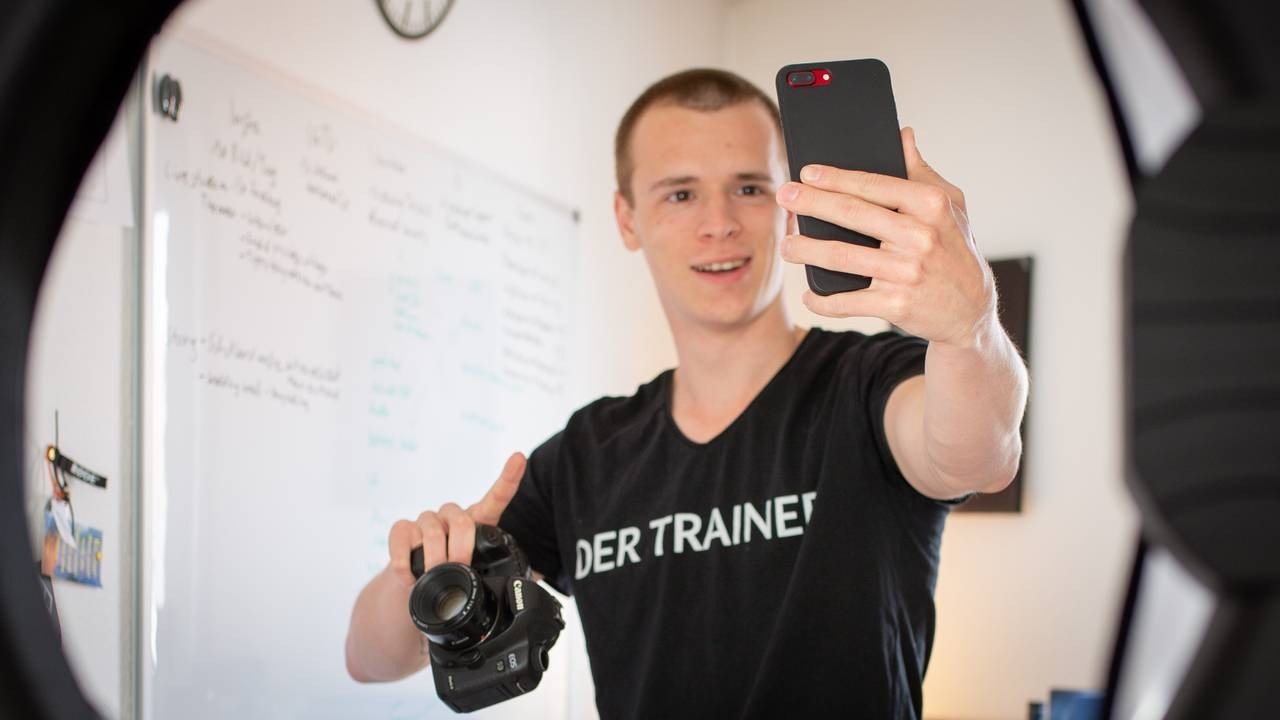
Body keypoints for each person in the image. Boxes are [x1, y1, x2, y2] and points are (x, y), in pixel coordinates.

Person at [345, 68, 1028, 719]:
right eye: (680, 194)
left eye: (750, 188)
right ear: (627, 218)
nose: (719, 222)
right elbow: (369, 659)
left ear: (790, 203)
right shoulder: (586, 455)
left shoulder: (869, 385)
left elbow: (979, 456)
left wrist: (968, 329)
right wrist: (423, 573)